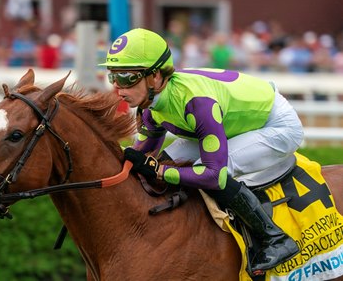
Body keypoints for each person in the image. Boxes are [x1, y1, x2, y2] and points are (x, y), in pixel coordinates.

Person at [100, 28, 302, 272]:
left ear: (154, 77)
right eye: (114, 77)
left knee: (200, 171)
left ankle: (274, 238)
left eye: (127, 78)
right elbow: (141, 158)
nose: (119, 89)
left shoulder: (197, 103)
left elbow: (213, 174)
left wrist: (159, 170)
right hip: (227, 121)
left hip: (276, 124)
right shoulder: (149, 106)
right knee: (165, 161)